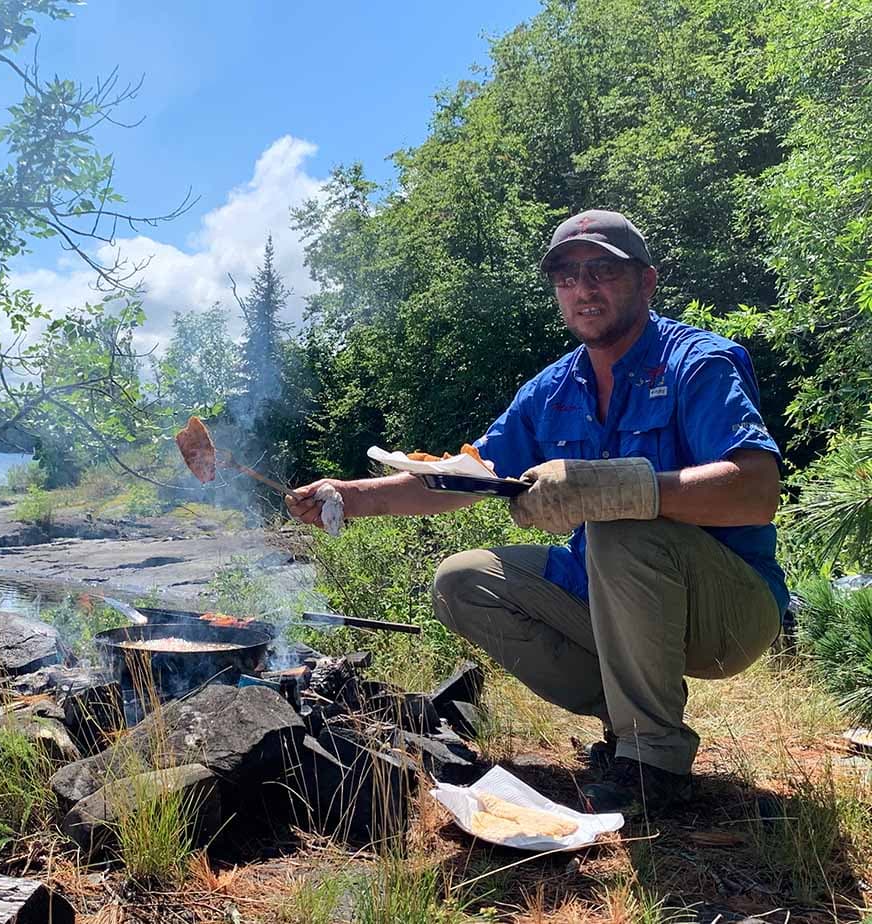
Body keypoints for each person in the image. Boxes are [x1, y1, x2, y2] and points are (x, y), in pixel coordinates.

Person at [287, 209, 787, 816]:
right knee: (463, 581)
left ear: (647, 283)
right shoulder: (550, 391)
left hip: (727, 614)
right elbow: (464, 478)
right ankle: (627, 716)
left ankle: (654, 761)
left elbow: (756, 489)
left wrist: (611, 487)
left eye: (604, 270)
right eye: (567, 276)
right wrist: (349, 494)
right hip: (611, 603)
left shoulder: (697, 364)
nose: (584, 288)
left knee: (618, 527)